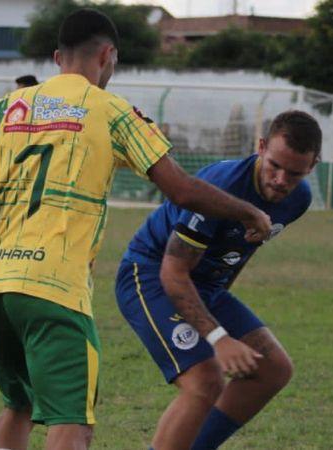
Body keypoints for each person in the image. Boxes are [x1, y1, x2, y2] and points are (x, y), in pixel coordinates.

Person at [0, 9, 272, 450]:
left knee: (18, 405)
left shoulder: (2, 109)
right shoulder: (111, 111)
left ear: (57, 57)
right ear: (108, 55)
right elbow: (182, 191)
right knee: (74, 422)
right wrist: (248, 212)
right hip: (53, 292)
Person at [115, 111, 320, 450]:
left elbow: (234, 254)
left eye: (294, 173)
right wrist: (219, 337)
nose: (281, 180)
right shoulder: (219, 187)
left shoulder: (298, 200)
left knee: (273, 369)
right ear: (261, 146)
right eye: (274, 166)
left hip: (205, 286)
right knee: (205, 381)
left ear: (312, 166)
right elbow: (173, 271)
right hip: (150, 274)